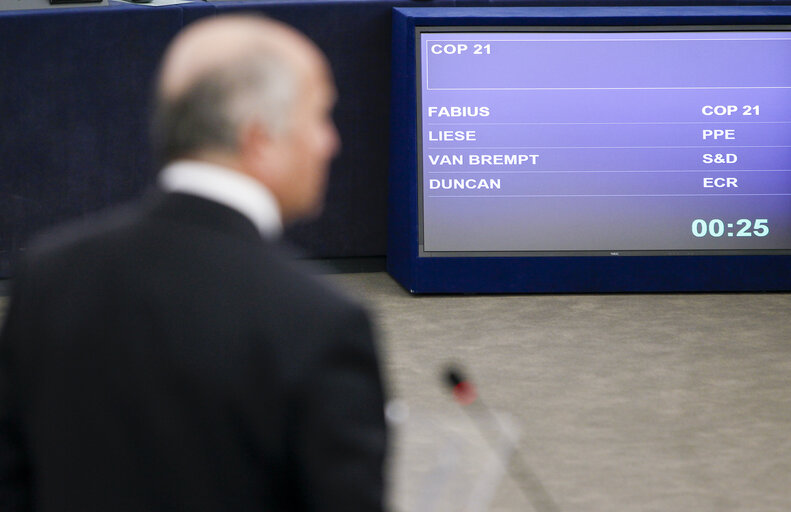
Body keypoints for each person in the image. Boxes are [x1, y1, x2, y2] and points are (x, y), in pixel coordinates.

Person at [0, 15, 387, 512]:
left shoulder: (47, 277)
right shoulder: (322, 322)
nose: (329, 141)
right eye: (320, 116)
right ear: (259, 139)